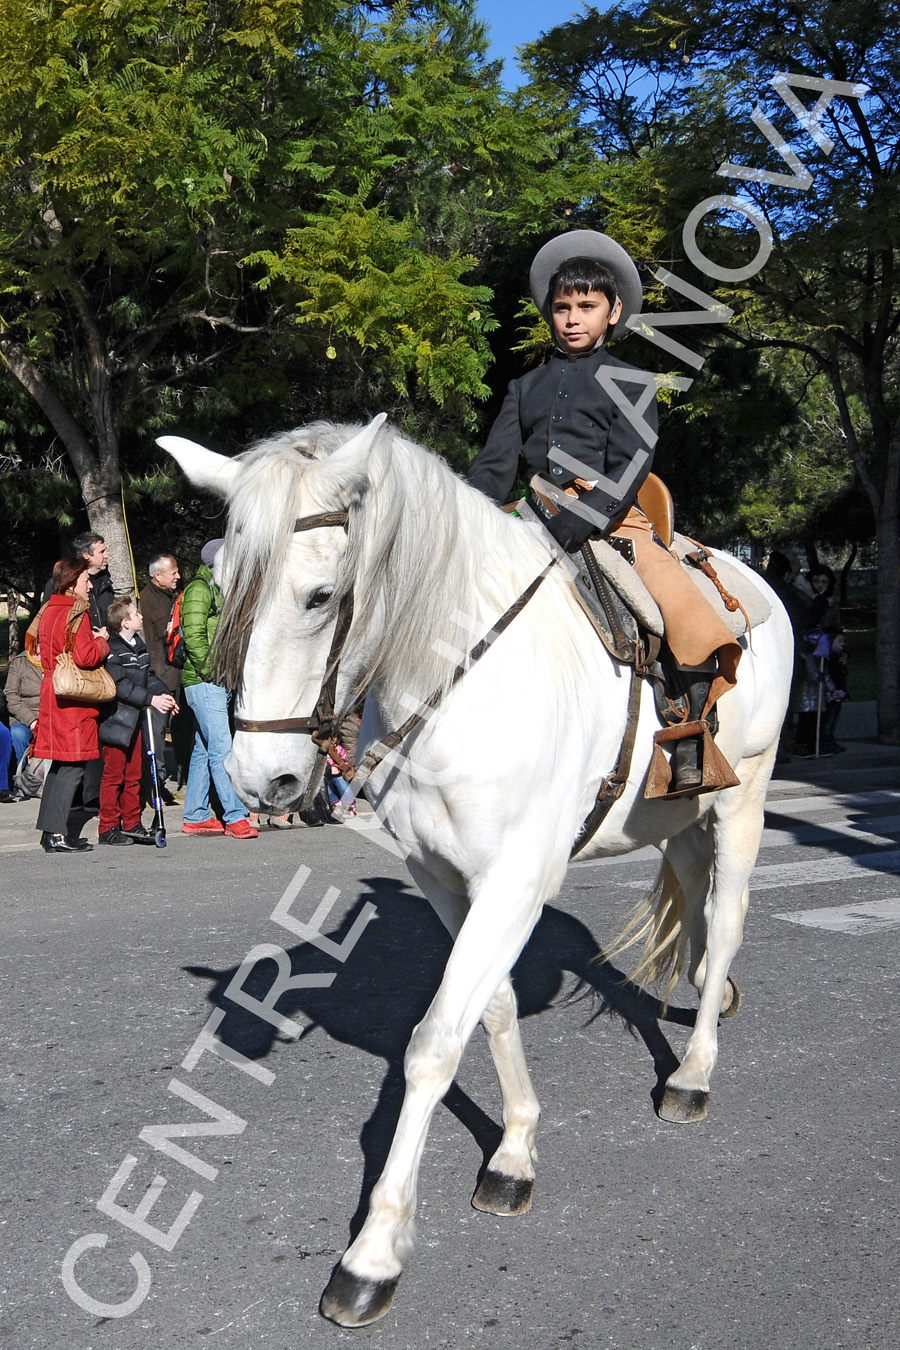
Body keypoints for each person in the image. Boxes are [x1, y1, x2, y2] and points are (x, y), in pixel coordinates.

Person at [467, 229, 741, 792]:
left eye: (586, 307)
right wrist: (465, 517)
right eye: (563, 308)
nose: (573, 318)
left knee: (678, 607)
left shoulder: (636, 384)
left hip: (617, 523)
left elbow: (630, 467)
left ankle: (690, 731)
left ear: (613, 313)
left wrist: (578, 518)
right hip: (532, 516)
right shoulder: (523, 388)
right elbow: (493, 469)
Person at [28, 558, 110, 852]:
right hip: (72, 697)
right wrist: (102, 642)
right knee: (73, 764)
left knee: (60, 764)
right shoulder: (77, 612)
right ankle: (57, 835)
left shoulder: (49, 609)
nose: (90, 585)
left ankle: (50, 832)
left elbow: (33, 645)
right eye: (86, 580)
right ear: (73, 581)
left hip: (52, 689)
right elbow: (85, 656)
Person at [180, 539, 257, 839]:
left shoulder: (220, 588)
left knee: (204, 749)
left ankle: (195, 816)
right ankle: (235, 816)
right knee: (223, 749)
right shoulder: (200, 588)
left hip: (216, 679)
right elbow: (194, 635)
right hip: (205, 680)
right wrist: (213, 671)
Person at [98, 595, 178, 845]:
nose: (141, 617)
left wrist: (163, 694)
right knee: (114, 776)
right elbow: (120, 686)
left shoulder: (137, 644)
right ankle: (108, 827)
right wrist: (151, 701)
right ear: (124, 622)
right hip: (117, 721)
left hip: (136, 721)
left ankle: (132, 822)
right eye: (136, 615)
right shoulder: (113, 649)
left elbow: (148, 676)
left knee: (134, 774)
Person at [138, 553, 186, 790]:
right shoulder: (147, 601)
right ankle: (155, 780)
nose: (178, 576)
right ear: (157, 577)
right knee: (156, 731)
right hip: (159, 676)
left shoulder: (174, 595)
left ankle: (182, 773)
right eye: (173, 573)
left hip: (177, 675)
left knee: (182, 728)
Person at [4, 646, 44, 768]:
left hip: (52, 715)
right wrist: (31, 720)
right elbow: (11, 695)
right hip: (24, 716)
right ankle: (22, 774)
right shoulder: (19, 662)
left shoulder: (58, 659)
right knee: (19, 734)